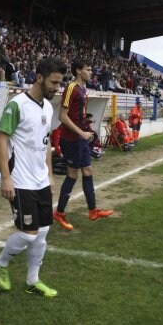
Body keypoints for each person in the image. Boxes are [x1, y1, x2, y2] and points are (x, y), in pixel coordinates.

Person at [0, 57, 66, 298]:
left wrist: (50, 174)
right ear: (39, 78)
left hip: (41, 180)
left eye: (59, 83)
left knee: (42, 233)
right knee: (27, 233)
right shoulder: (17, 105)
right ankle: (1, 263)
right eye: (54, 82)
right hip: (20, 180)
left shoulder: (46, 106)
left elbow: (45, 144)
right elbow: (1, 139)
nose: (57, 88)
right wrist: (6, 177)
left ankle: (32, 281)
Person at [53, 58, 113, 231]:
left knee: (87, 170)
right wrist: (81, 133)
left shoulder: (83, 90)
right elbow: (62, 116)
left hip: (80, 138)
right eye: (88, 69)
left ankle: (93, 210)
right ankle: (60, 212)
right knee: (72, 174)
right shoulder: (71, 88)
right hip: (71, 139)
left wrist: (87, 131)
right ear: (78, 71)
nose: (91, 72)